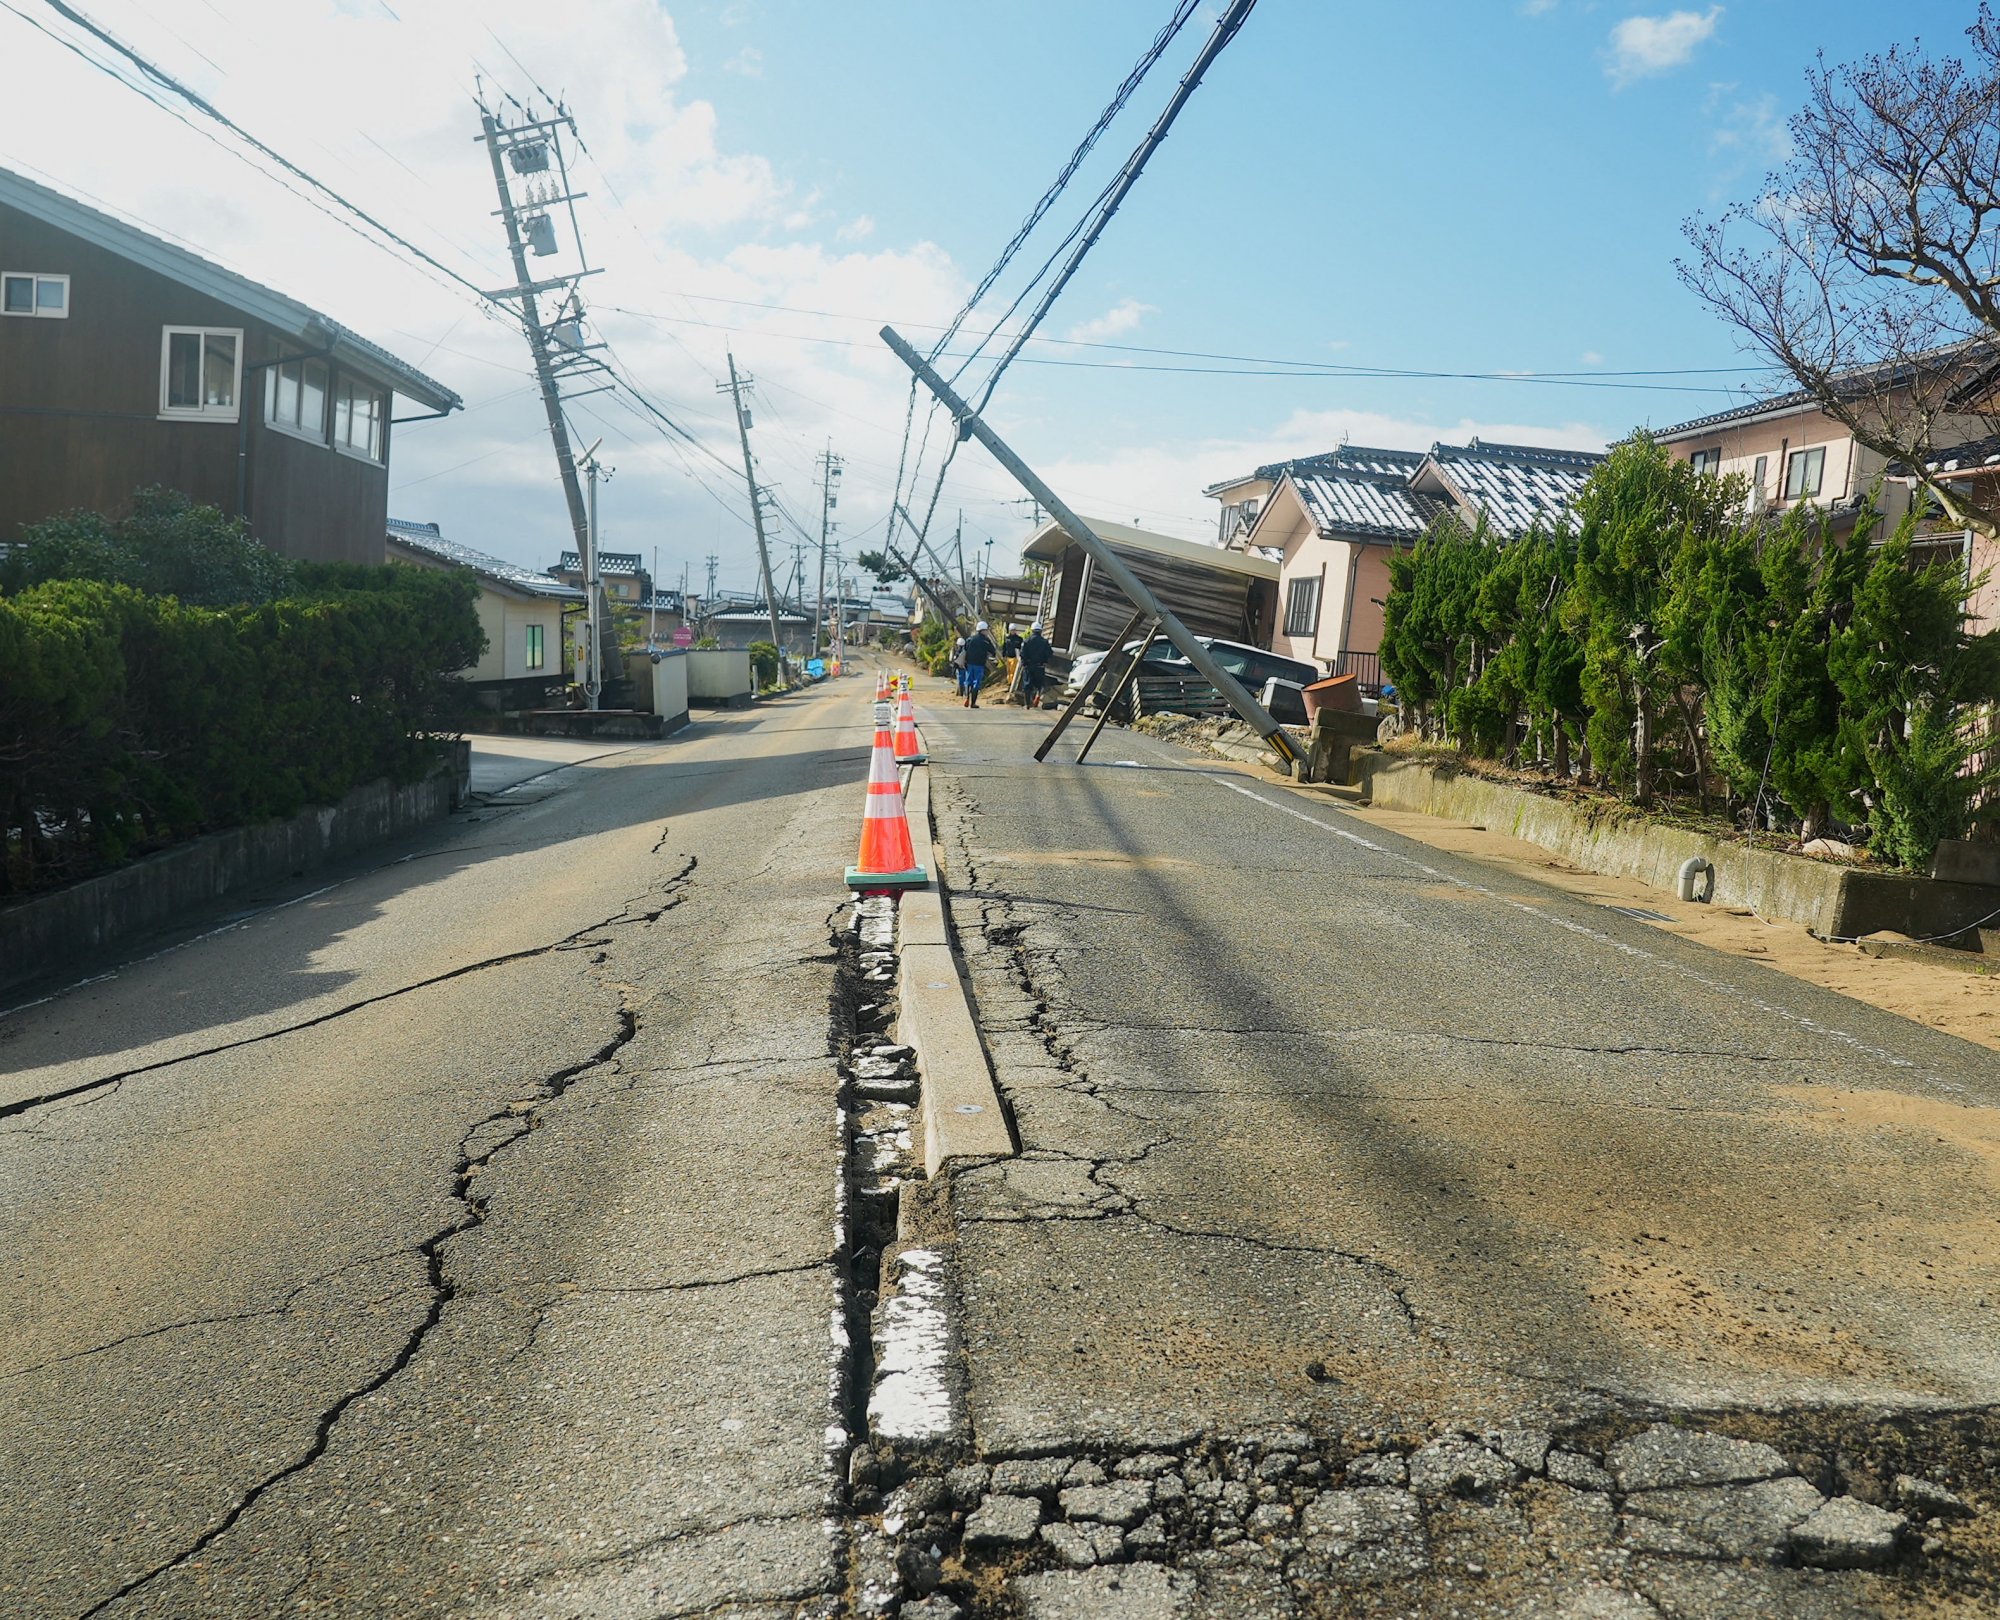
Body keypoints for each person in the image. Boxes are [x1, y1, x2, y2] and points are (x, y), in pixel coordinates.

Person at [959, 619, 997, 708]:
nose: (988, 632)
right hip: (979, 665)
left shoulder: (970, 639)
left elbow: (964, 650)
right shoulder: (986, 641)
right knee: (977, 683)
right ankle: (973, 703)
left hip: (969, 664)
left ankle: (967, 697)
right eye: (987, 630)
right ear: (983, 630)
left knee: (968, 681)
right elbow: (993, 651)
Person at [1019, 622, 1053, 710]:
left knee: (1027, 685)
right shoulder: (1044, 642)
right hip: (1040, 666)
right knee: (1039, 685)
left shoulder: (1026, 641)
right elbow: (1049, 653)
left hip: (1028, 666)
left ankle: (1027, 704)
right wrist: (1045, 661)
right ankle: (1037, 698)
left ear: (1032, 630)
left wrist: (1024, 663)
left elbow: (1022, 654)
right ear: (1040, 631)